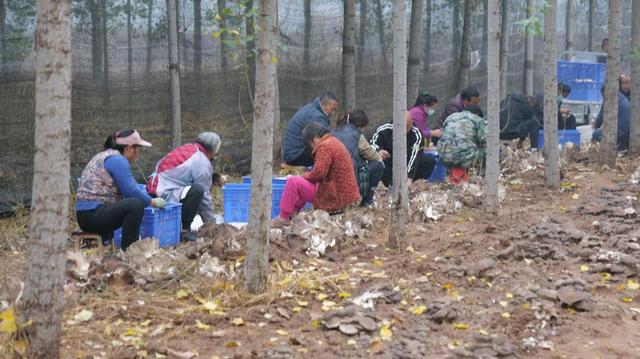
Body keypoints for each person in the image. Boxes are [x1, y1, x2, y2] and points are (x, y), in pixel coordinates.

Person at [76, 129, 165, 251]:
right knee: (135, 204)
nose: (138, 153)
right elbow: (130, 191)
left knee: (133, 203)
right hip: (93, 215)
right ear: (129, 148)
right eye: (138, 149)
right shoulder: (118, 160)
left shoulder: (105, 155)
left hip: (85, 215)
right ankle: (129, 251)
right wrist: (152, 202)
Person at [273, 123, 360, 226]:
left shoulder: (325, 146)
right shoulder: (333, 142)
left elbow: (319, 174)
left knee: (293, 181)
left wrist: (301, 176)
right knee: (301, 183)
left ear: (314, 139)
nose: (311, 148)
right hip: (344, 196)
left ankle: (283, 218)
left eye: (310, 145)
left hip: (336, 198)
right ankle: (293, 214)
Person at [147, 132, 222, 242]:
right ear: (212, 149)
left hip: (156, 186)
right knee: (197, 191)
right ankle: (184, 231)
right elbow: (204, 197)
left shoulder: (189, 148)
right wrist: (212, 225)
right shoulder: (203, 162)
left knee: (194, 190)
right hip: (165, 194)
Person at [332, 110, 385, 207]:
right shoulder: (357, 136)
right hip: (350, 180)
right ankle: (366, 201)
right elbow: (373, 156)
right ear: (361, 126)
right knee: (379, 165)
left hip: (331, 179)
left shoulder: (333, 132)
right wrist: (379, 154)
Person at [370, 115, 436, 187]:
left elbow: (415, 156)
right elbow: (372, 143)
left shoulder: (417, 134)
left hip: (408, 162)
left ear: (411, 125)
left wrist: (409, 177)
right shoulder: (384, 130)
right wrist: (379, 150)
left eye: (406, 130)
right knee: (378, 161)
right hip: (390, 161)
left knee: (429, 159)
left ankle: (414, 184)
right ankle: (389, 184)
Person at [282, 93, 339, 167]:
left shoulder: (311, 108)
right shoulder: (317, 116)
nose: (333, 113)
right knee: (329, 155)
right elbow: (324, 141)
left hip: (291, 153)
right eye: (332, 109)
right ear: (324, 104)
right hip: (296, 155)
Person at [437, 105, 486, 170]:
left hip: (444, 158)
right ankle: (483, 173)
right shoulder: (477, 119)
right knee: (488, 151)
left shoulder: (450, 117)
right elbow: (485, 140)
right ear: (477, 114)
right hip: (465, 160)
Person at [592, 85, 631, 151]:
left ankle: (612, 148)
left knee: (595, 134)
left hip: (620, 132)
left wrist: (595, 125)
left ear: (604, 93)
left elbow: (599, 120)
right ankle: (621, 147)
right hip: (629, 132)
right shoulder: (622, 97)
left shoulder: (609, 99)